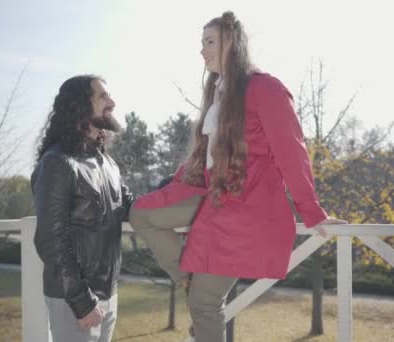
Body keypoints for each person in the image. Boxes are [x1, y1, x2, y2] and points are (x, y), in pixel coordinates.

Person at [129, 11, 347, 341]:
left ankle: (192, 282)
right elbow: (204, 155)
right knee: (141, 213)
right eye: (201, 43)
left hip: (245, 208)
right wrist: (177, 180)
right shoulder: (217, 92)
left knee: (203, 303)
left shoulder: (265, 88)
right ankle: (187, 276)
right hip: (211, 197)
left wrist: (311, 210)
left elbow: (291, 151)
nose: (202, 51)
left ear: (231, 42)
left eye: (209, 42)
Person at [31, 75, 133, 342]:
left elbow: (131, 206)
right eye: (102, 96)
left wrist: (177, 188)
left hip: (108, 294)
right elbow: (51, 241)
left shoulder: (107, 163)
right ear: (79, 105)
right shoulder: (57, 162)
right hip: (75, 299)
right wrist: (81, 300)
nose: (112, 102)